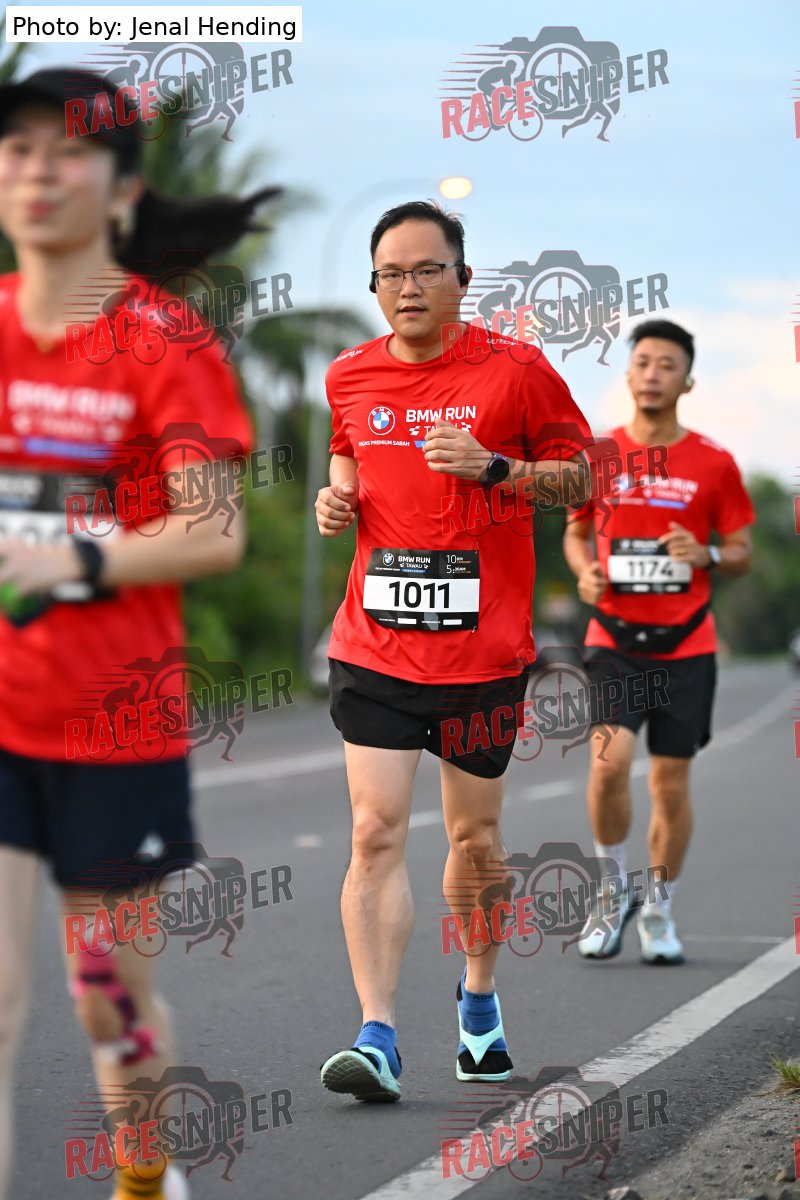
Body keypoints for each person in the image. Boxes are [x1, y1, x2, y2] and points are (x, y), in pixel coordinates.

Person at [0, 68, 278, 1199]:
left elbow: (214, 531)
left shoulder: (162, 340)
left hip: (114, 727)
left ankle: (147, 1175)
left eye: (66, 151)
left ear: (121, 190)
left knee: (105, 997)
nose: (37, 172)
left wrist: (79, 558)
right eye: (18, 150)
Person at [315, 200, 592, 1101]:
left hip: (483, 656)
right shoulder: (349, 374)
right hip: (375, 645)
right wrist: (337, 497)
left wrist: (497, 468)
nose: (409, 287)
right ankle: (377, 1037)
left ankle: (477, 1000)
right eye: (391, 274)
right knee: (373, 829)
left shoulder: (517, 371)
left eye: (427, 270)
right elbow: (348, 454)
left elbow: (582, 477)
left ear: (463, 280)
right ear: (374, 286)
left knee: (475, 838)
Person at [563, 319, 754, 964]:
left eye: (667, 364)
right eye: (643, 361)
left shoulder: (714, 462)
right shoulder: (600, 456)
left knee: (670, 784)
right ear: (628, 374)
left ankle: (659, 910)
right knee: (608, 763)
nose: (652, 373)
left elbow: (741, 551)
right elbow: (576, 532)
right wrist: (584, 571)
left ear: (687, 381)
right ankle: (611, 890)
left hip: (686, 644)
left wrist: (706, 553)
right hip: (614, 638)